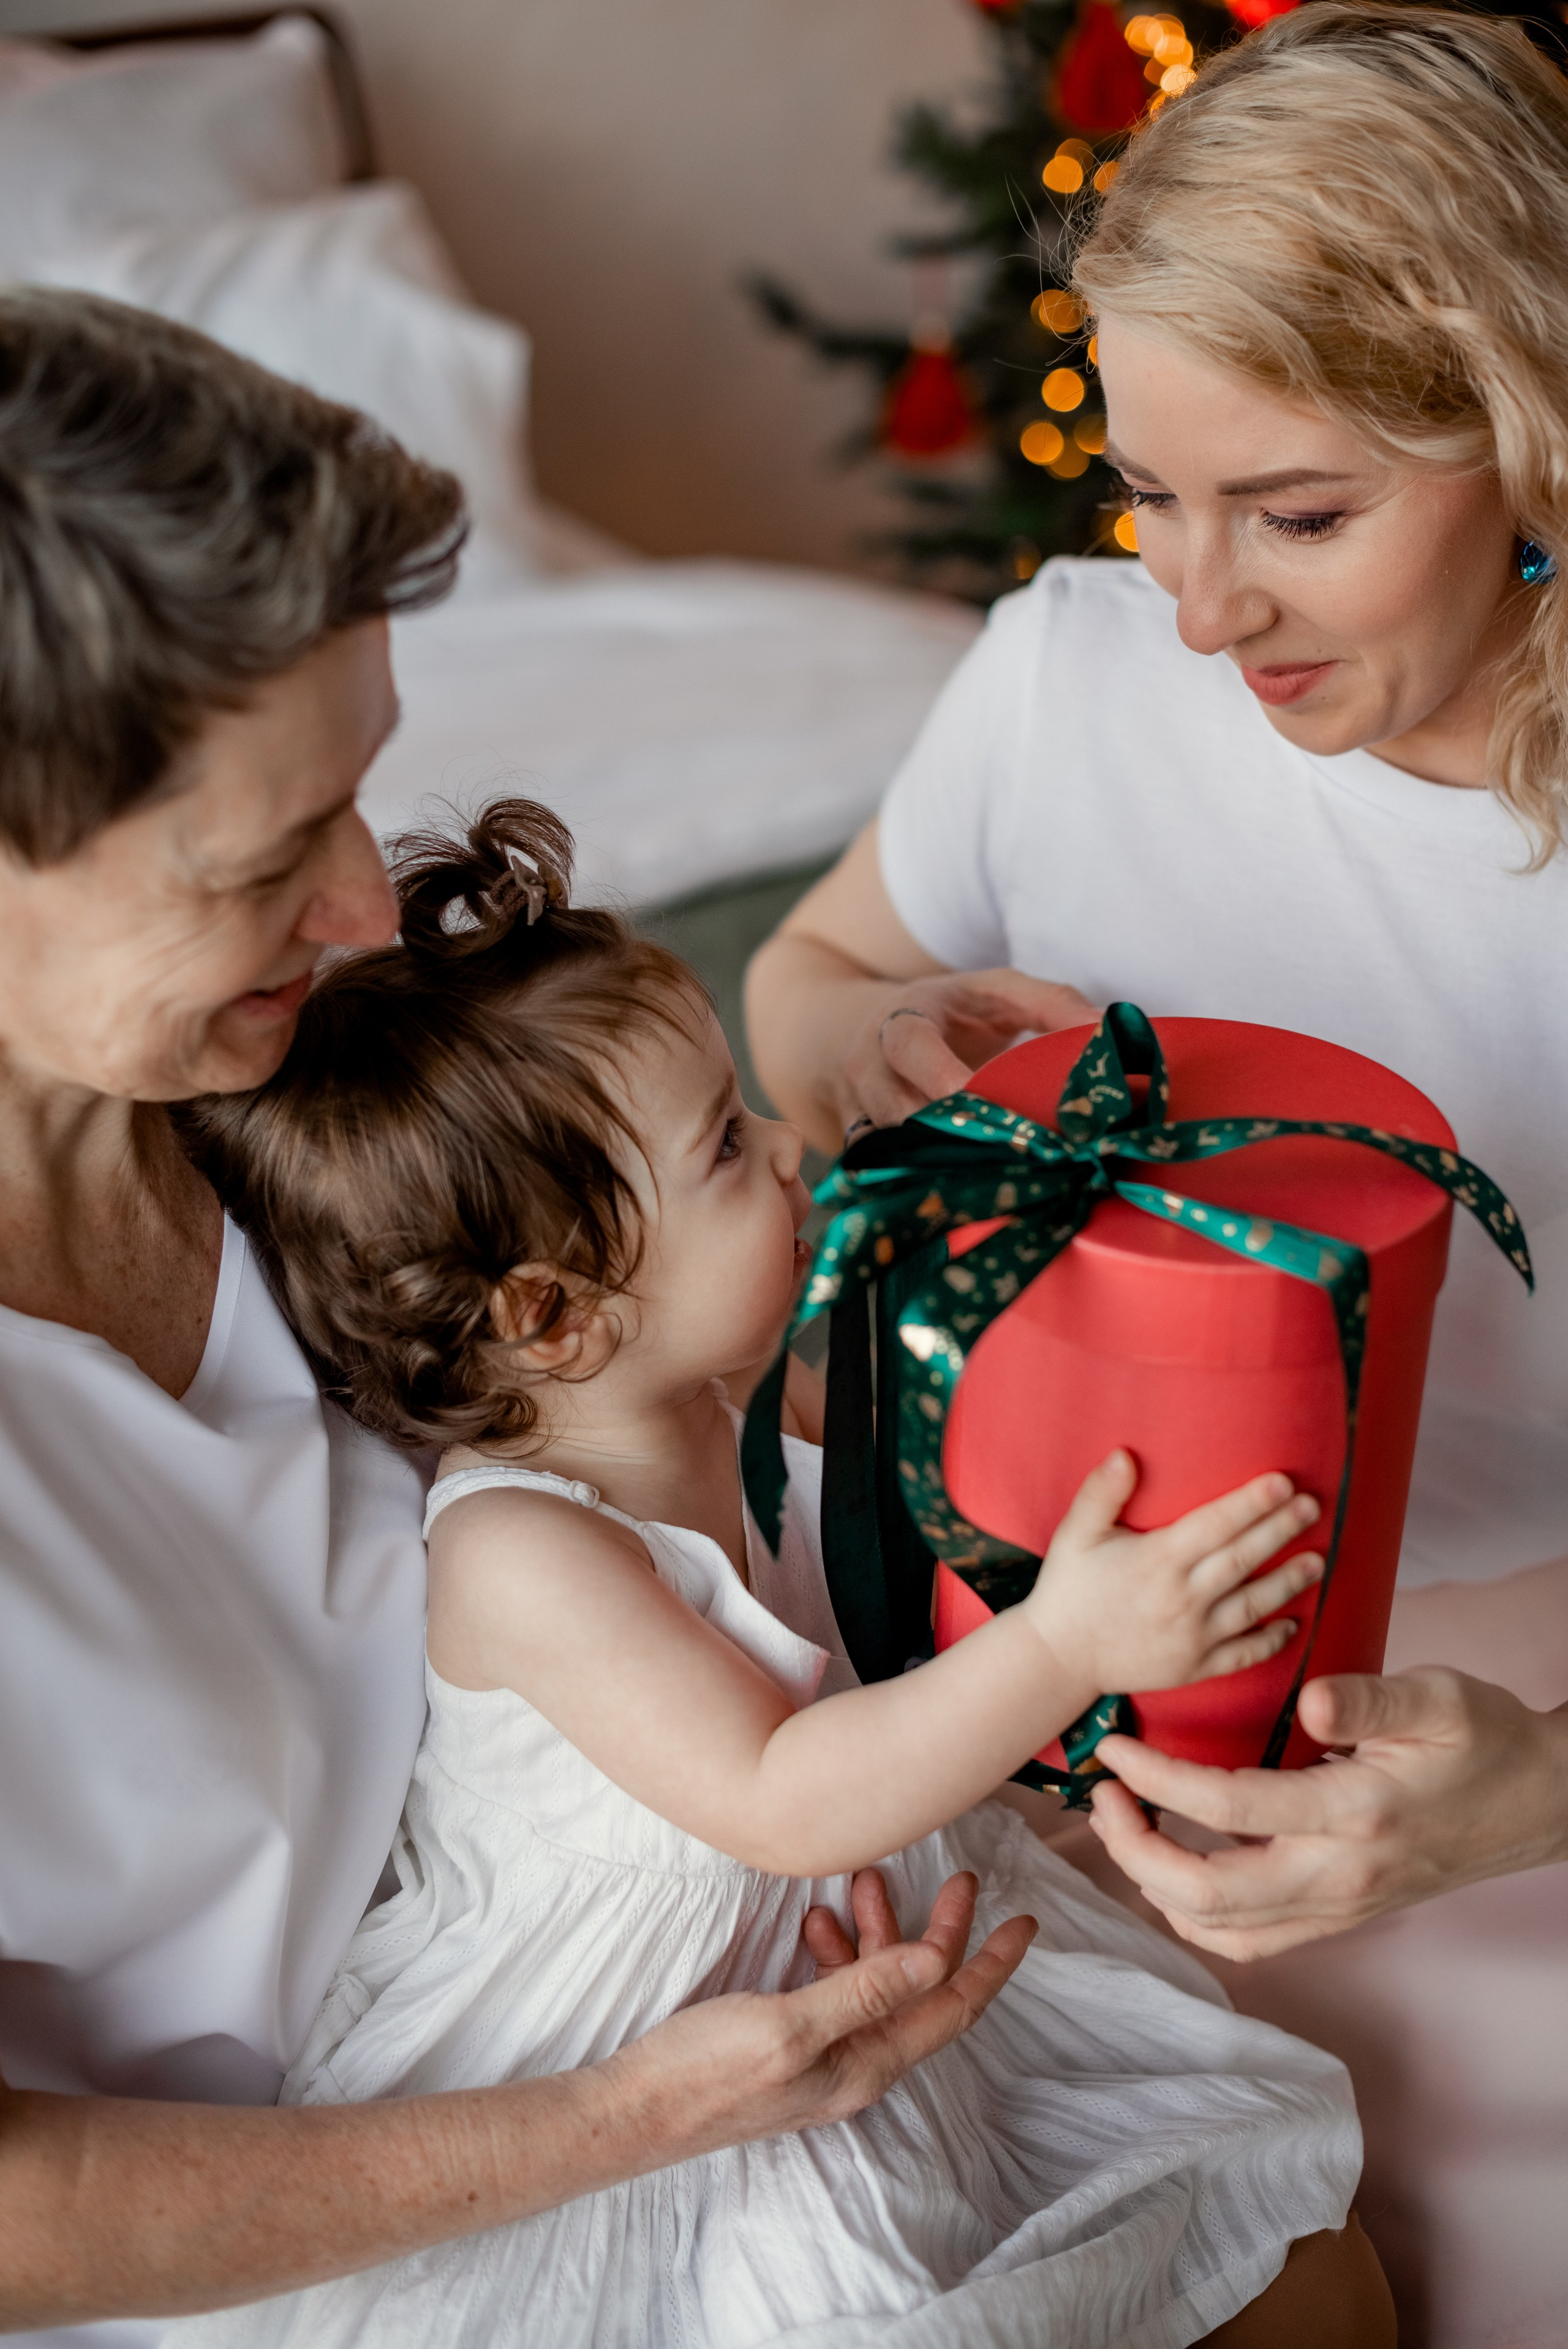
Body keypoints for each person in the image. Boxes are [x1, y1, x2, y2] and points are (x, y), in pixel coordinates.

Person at [0, 288, 1041, 2349]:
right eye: (263, 854)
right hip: (323, 2259)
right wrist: (627, 2114)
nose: (363, 912)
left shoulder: (294, 1095)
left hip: (687, 2041)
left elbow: (686, 1359)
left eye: (356, 796)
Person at [744, 7, 1568, 2338]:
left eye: (1301, 514)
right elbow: (809, 978)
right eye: (1152, 497)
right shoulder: (1071, 672)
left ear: (1532, 427)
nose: (1204, 613)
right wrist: (861, 1041)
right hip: (978, 1654)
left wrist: (1527, 1796)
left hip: (1482, 1716)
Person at [165, 794, 1385, 2347]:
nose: (789, 1145)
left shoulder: (729, 1395)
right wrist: (1066, 1644)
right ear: (558, 1317)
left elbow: (914, 1529)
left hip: (851, 1945)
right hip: (659, 2053)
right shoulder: (518, 1548)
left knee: (1286, 2249)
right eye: (728, 1147)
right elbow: (786, 1792)